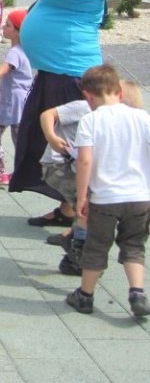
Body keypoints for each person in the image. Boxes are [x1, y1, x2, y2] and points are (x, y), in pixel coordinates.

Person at [10, 0, 111, 227]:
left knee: (62, 144)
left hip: (70, 70)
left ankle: (76, 213)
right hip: (56, 68)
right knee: (40, 139)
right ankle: (67, 208)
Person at [64, 64, 150, 316]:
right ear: (120, 92)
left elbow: (85, 160)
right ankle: (137, 293)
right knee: (134, 244)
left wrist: (82, 197)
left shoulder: (90, 120)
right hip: (139, 195)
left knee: (97, 246)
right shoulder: (143, 117)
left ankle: (85, 295)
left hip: (105, 198)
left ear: (87, 97)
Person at [0, 9, 33, 188]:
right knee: (18, 139)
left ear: (18, 31)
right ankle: (21, 173)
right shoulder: (27, 50)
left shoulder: (14, 53)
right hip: (22, 101)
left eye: (8, 25)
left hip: (10, 102)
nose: (3, 27)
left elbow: (2, 72)